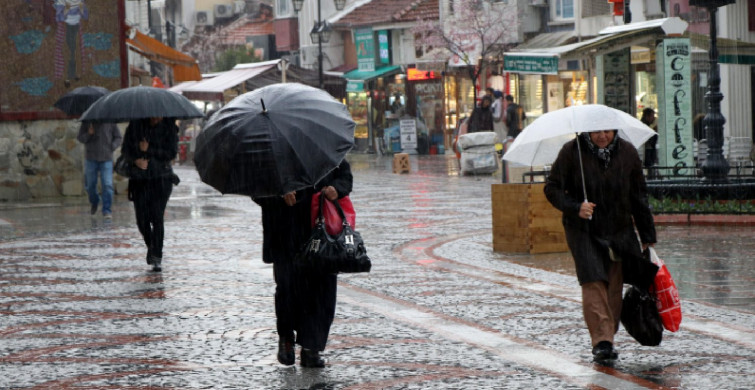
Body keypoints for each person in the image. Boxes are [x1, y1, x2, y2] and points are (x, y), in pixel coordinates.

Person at [544, 130, 658, 362]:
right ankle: (602, 341)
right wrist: (576, 206)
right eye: (597, 132)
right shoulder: (571, 151)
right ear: (588, 131)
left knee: (614, 283)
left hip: (618, 228)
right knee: (593, 279)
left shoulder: (627, 152)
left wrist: (647, 233)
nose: (602, 136)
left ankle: (608, 333)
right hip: (583, 229)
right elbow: (552, 188)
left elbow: (638, 195)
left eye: (607, 131)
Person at [253, 159, 353, 368]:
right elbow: (257, 188)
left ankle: (312, 347)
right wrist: (279, 195)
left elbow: (345, 177)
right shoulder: (270, 152)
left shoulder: (324, 148)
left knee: (322, 291)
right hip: (285, 234)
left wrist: (337, 189)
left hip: (321, 231)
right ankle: (286, 339)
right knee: (288, 289)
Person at [120, 117, 179, 272]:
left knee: (157, 217)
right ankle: (151, 246)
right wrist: (136, 160)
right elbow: (125, 151)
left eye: (159, 115)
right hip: (140, 180)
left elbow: (171, 153)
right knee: (142, 220)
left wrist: (149, 150)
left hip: (161, 179)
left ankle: (157, 256)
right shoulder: (135, 126)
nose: (155, 118)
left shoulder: (169, 127)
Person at [77, 121, 122, 219]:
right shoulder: (87, 121)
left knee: (107, 185)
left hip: (106, 158)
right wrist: (89, 134)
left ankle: (107, 210)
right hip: (91, 158)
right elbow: (80, 137)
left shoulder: (110, 121)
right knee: (90, 185)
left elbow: (118, 137)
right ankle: (95, 201)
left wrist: (112, 146)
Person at [641, 108, 659, 178]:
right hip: (647, 149)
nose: (653, 118)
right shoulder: (643, 124)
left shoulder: (650, 124)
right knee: (650, 166)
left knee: (651, 167)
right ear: (647, 116)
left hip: (651, 148)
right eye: (652, 116)